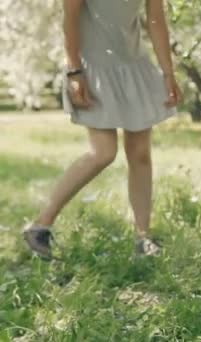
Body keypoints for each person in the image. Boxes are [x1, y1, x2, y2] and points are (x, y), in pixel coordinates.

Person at [23, 0, 182, 259]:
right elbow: (70, 18)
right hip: (93, 70)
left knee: (140, 155)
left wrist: (168, 72)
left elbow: (155, 19)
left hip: (134, 67)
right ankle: (40, 225)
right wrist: (74, 72)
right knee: (103, 153)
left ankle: (143, 238)